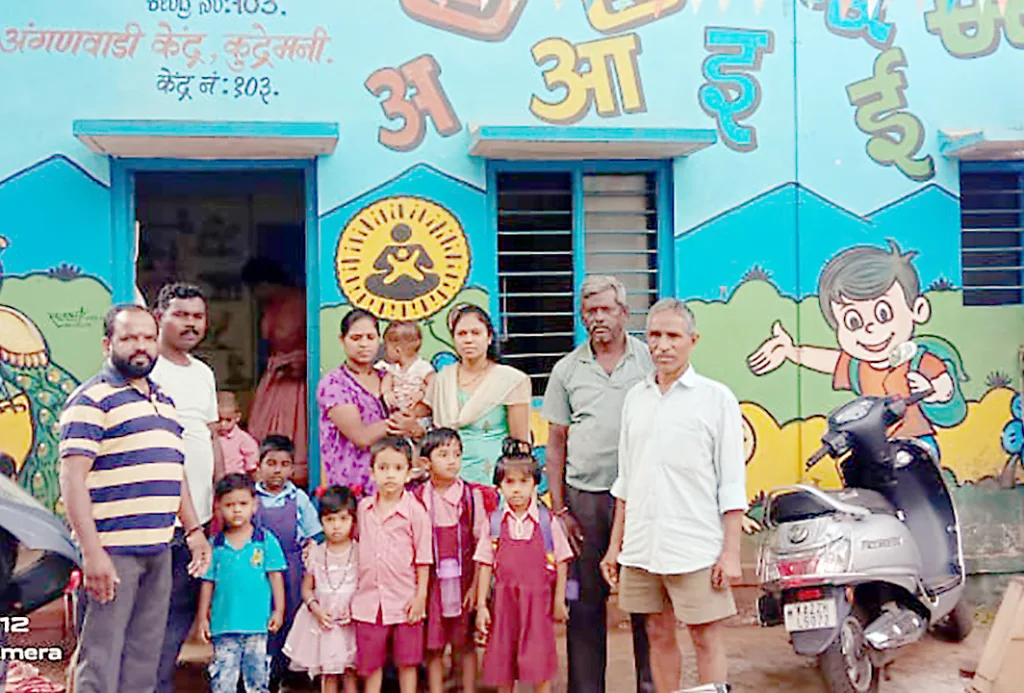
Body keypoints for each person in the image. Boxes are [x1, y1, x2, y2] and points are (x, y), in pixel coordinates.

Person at [59, 304, 211, 693]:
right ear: (108, 344)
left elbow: (172, 472)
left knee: (146, 654)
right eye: (128, 338)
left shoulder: (165, 401)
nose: (139, 346)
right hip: (112, 551)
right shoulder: (91, 399)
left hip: (159, 548)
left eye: (147, 337)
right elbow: (72, 480)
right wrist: (92, 553)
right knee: (102, 656)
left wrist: (193, 529)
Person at [601, 299, 746, 693]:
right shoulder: (636, 398)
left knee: (705, 635)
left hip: (696, 543)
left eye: (672, 336)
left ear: (692, 341)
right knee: (657, 632)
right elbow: (626, 481)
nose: (662, 345)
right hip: (643, 545)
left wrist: (731, 553)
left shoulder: (716, 399)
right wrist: (616, 546)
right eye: (654, 335)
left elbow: (732, 483)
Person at [541, 275, 655, 693]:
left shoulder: (648, 361)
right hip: (585, 501)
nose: (598, 318)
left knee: (646, 600)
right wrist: (559, 510)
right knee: (584, 605)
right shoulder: (567, 369)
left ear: (624, 313)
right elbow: (556, 443)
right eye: (591, 311)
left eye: (607, 309)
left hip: (642, 501)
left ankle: (650, 685)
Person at [150, 282, 226, 693]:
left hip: (199, 519)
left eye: (198, 316)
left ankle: (160, 682)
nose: (191, 323)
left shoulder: (203, 373)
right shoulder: (146, 370)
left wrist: (228, 491)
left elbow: (211, 437)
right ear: (160, 316)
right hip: (157, 519)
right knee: (152, 613)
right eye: (182, 314)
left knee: (180, 610)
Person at [474, 438, 572, 693]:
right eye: (509, 482)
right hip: (504, 605)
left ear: (535, 485)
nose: (516, 490)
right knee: (503, 663)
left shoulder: (546, 522)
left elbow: (562, 561)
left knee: (539, 664)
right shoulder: (494, 523)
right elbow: (485, 563)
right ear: (499, 487)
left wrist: (560, 599)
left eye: (523, 482)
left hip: (538, 604)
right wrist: (482, 605)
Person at [412, 428, 490, 693]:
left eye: (457, 454)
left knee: (465, 643)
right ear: (425, 462)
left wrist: (475, 588)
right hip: (432, 585)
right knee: (433, 646)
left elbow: (482, 547)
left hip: (464, 581)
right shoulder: (418, 498)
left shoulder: (471, 497)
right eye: (443, 454)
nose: (452, 461)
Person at [352, 438, 431, 693]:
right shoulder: (364, 509)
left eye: (398, 469)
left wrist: (420, 597)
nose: (390, 475)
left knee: (408, 661)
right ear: (372, 472)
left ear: (409, 474)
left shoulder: (416, 512)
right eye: (383, 468)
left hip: (404, 598)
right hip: (369, 600)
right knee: (370, 662)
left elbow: (424, 558)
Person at [419, 305, 530, 485]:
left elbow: (520, 443)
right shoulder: (442, 379)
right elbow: (425, 422)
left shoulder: (511, 380)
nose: (468, 340)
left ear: (489, 337)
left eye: (476, 333)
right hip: (448, 479)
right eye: (462, 334)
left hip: (494, 479)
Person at [317, 310, 424, 492]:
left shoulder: (388, 378)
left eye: (370, 337)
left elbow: (414, 423)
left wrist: (413, 427)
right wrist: (397, 423)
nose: (364, 344)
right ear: (342, 340)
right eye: (356, 338)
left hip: (393, 485)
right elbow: (361, 437)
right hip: (352, 487)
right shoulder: (334, 384)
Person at [197, 473, 287, 693]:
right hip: (224, 626)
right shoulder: (214, 546)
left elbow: (275, 576)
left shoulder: (265, 541)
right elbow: (207, 583)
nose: (237, 510)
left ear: (254, 505)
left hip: (257, 625)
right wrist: (202, 617)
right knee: (223, 680)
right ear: (218, 507)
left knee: (257, 679)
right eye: (229, 504)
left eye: (243, 504)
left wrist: (279, 610)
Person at [253, 434, 323, 690]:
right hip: (256, 569)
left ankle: (289, 674)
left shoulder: (299, 499)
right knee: (262, 619)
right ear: (259, 465)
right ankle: (262, 675)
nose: (277, 470)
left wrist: (311, 550)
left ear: (292, 468)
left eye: (284, 464)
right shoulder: (251, 499)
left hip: (292, 568)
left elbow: (314, 534)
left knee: (291, 619)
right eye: (271, 463)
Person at [284, 485, 359, 693]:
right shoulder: (316, 552)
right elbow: (307, 589)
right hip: (323, 622)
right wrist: (315, 609)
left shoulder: (359, 552)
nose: (336, 526)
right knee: (328, 674)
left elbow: (364, 586)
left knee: (350, 672)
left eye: (343, 519)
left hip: (349, 623)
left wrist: (354, 607)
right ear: (321, 521)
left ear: (354, 520)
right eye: (330, 520)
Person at [243, 258, 309, 487]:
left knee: (294, 434)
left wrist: (299, 363)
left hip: (296, 381)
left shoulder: (300, 301)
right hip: (275, 379)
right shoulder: (271, 304)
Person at [216, 392, 260, 477]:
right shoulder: (211, 437)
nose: (223, 424)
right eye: (219, 420)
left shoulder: (243, 439)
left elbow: (252, 462)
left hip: (236, 479)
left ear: (237, 417)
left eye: (228, 420)